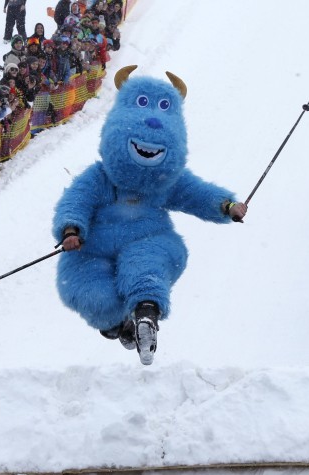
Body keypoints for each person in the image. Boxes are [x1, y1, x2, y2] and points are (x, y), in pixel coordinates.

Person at [52, 66, 246, 366]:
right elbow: (76, 200)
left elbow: (197, 194)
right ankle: (118, 325)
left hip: (147, 239)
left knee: (145, 263)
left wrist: (226, 205)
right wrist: (71, 229)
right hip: (93, 248)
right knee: (90, 291)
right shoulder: (100, 178)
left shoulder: (166, 182)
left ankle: (146, 311)